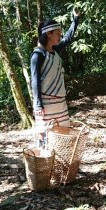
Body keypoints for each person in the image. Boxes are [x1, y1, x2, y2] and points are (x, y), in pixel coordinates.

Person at [30, 11, 80, 145]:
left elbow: (68, 38)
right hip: (45, 104)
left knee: (62, 134)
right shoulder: (38, 55)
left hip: (60, 103)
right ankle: (44, 163)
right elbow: (35, 81)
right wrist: (38, 104)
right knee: (45, 136)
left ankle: (60, 164)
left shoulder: (56, 50)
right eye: (57, 33)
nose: (60, 36)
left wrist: (76, 19)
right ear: (48, 34)